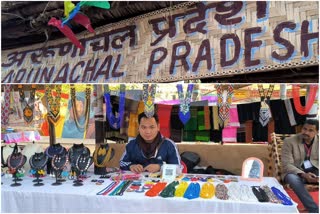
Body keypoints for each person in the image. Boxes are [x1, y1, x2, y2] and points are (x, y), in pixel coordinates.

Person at [281, 119, 319, 213]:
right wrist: (304, 174)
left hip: (315, 171)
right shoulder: (289, 141)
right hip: (295, 172)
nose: (306, 132)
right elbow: (287, 164)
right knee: (292, 179)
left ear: (317, 132)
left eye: (310, 130)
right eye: (304, 129)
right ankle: (314, 210)